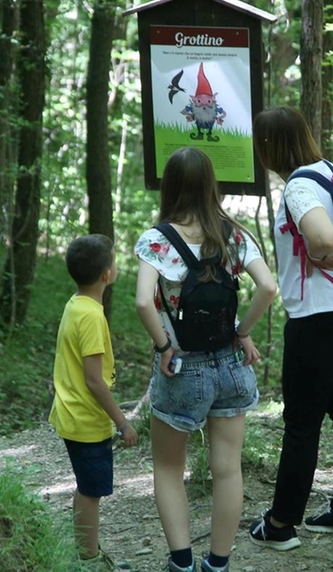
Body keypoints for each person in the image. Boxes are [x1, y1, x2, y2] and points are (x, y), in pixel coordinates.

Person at [134, 147, 278, 572]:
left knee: (167, 467)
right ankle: (217, 565)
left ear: (171, 185)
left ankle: (181, 564)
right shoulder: (233, 234)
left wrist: (164, 347)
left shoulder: (157, 239)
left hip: (183, 369)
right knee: (227, 471)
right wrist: (243, 331)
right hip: (232, 364)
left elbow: (143, 300)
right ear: (211, 184)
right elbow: (268, 287)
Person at [247, 106, 333, 551]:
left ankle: (281, 524)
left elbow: (321, 238)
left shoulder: (299, 185)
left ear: (268, 147)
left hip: (315, 319)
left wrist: (320, 252)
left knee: (301, 423)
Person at [50, 234, 140, 570]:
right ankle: (88, 560)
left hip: (74, 415)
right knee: (91, 492)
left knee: (87, 488)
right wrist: (123, 422)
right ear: (106, 274)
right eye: (114, 261)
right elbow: (93, 379)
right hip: (87, 421)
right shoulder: (91, 316)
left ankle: (86, 552)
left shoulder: (76, 304)